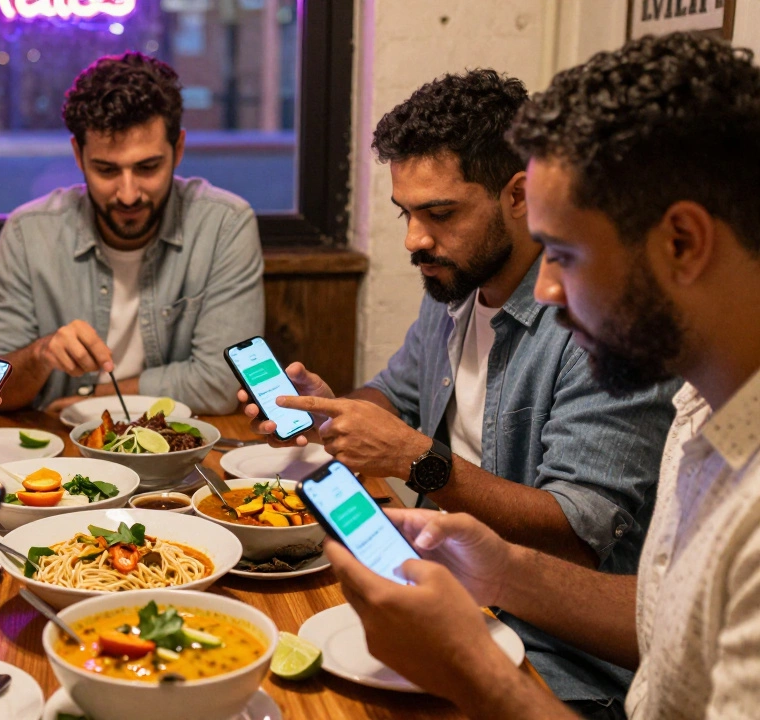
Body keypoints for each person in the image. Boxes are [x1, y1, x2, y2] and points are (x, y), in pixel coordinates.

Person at [323, 33, 760, 720]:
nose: (547, 289)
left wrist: (471, 669)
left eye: (564, 253)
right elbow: (666, 621)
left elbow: (584, 531)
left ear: (682, 242)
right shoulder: (705, 408)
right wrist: (499, 568)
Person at [241, 69, 678, 714]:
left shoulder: (596, 322)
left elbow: (581, 533)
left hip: (558, 658)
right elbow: (394, 393)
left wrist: (418, 460)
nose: (415, 240)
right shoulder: (455, 286)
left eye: (440, 213)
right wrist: (332, 411)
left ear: (519, 195)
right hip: (453, 585)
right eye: (406, 214)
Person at [0, 52, 264, 415]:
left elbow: (221, 381)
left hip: (178, 447)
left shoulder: (224, 225)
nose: (128, 193)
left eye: (148, 167)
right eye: (106, 170)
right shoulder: (29, 232)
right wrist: (41, 354)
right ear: (78, 155)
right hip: (58, 456)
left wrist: (93, 401)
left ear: (179, 149)